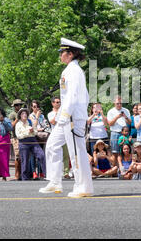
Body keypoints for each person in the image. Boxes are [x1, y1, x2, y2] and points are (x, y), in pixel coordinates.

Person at [40, 38, 94, 197]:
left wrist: (65, 115)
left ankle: (83, 187)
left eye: (62, 52)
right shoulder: (70, 70)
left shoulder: (74, 71)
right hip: (67, 116)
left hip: (72, 118)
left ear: (70, 54)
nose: (60, 55)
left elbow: (73, 95)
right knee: (52, 146)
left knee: (76, 152)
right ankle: (55, 181)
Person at [16, 108, 47, 181]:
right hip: (23, 142)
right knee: (25, 161)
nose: (24, 115)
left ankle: (46, 174)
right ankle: (25, 178)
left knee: (41, 155)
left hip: (33, 140)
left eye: (26, 113)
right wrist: (28, 132)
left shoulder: (30, 121)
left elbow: (35, 132)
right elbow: (18, 136)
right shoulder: (18, 124)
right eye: (23, 113)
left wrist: (32, 131)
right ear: (20, 115)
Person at [47, 96, 70, 179]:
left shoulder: (64, 112)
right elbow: (52, 122)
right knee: (55, 155)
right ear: (52, 103)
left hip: (64, 135)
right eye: (56, 102)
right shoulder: (50, 113)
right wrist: (57, 114)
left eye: (59, 102)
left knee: (66, 155)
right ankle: (55, 172)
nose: (58, 104)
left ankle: (66, 172)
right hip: (55, 136)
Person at [29, 100, 51, 179]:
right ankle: (34, 172)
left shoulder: (42, 116)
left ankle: (41, 172)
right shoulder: (30, 116)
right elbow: (33, 126)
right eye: (34, 106)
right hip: (33, 136)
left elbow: (46, 125)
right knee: (33, 155)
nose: (36, 108)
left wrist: (44, 128)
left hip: (41, 136)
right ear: (32, 107)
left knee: (41, 154)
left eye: (37, 106)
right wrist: (37, 117)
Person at [107, 96, 131, 164]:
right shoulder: (111, 111)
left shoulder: (126, 110)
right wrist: (117, 117)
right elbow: (110, 124)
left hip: (125, 133)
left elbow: (129, 122)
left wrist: (125, 117)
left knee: (126, 152)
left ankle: (124, 169)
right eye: (117, 103)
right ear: (114, 103)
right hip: (115, 133)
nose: (119, 105)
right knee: (115, 153)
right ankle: (115, 172)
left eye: (120, 103)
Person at [9, 99, 24, 180]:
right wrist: (18, 118)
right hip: (15, 137)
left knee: (23, 156)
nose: (19, 106)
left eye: (20, 105)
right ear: (14, 106)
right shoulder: (12, 114)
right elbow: (11, 126)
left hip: (23, 136)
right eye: (17, 105)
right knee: (17, 157)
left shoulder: (24, 113)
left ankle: (23, 174)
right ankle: (16, 174)